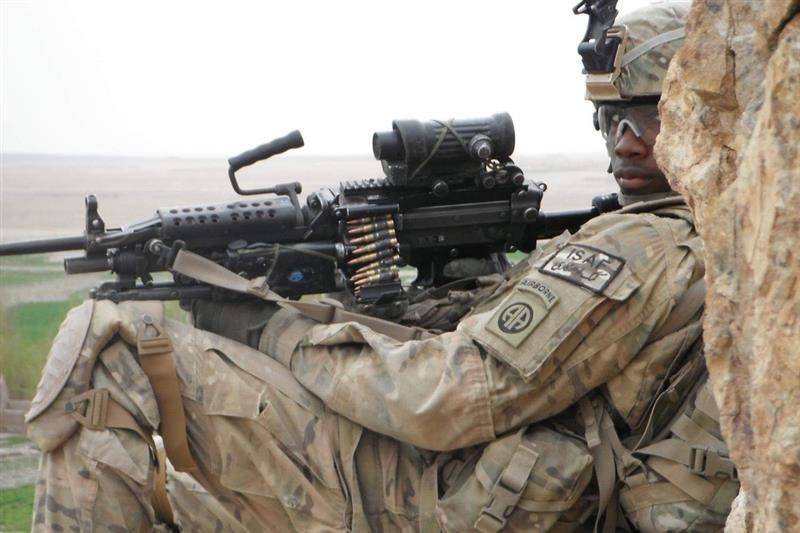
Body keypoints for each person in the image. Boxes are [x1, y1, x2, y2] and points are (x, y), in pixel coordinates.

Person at [26, 2, 738, 531]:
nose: (626, 143)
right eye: (611, 120)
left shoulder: (641, 247)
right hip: (498, 480)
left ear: (707, 116)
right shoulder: (713, 231)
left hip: (437, 493)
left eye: (650, 116)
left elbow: (443, 398)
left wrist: (272, 327)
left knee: (112, 349)